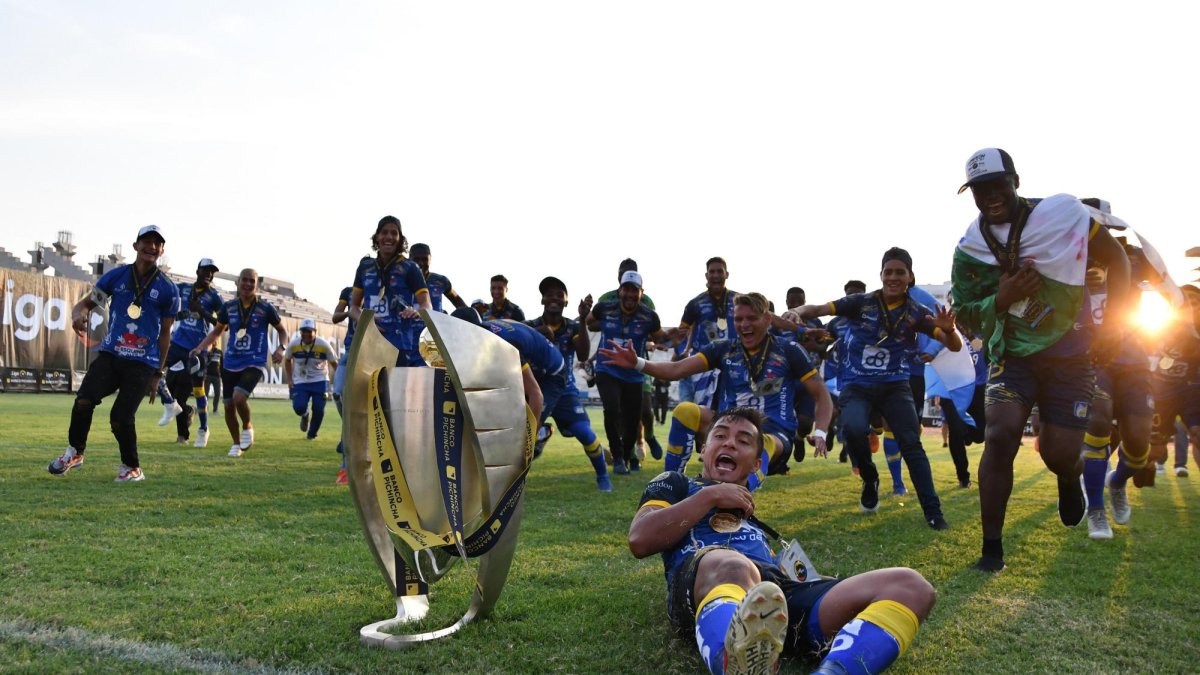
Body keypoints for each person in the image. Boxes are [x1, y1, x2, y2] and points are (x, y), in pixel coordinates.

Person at [628, 407, 936, 675]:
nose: (731, 443)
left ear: (755, 465)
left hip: (773, 598)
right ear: (703, 449)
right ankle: (732, 660)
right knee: (733, 564)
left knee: (910, 585)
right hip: (708, 581)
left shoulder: (749, 509)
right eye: (720, 436)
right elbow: (640, 539)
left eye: (744, 441)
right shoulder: (676, 483)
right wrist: (710, 495)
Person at [950, 148, 1130, 571]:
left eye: (996, 185)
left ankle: (1070, 478)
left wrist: (1116, 325)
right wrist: (1002, 297)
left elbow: (1117, 259)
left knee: (1058, 453)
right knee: (1000, 434)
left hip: (1070, 356)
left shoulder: (1061, 216)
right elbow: (964, 313)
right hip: (1012, 357)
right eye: (979, 190)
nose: (989, 196)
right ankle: (991, 550)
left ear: (1015, 180)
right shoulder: (971, 249)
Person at [794, 248, 961, 530]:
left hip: (895, 386)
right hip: (857, 385)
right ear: (881, 275)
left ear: (910, 277)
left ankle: (933, 512)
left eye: (900, 272)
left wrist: (949, 330)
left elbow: (954, 346)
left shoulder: (917, 312)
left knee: (911, 443)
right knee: (854, 429)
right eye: (888, 272)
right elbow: (819, 309)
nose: (893, 277)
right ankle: (870, 477)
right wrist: (795, 312)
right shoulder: (861, 303)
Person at [603, 292, 833, 483]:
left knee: (764, 442)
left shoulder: (788, 351)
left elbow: (821, 395)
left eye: (751, 318)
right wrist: (637, 362)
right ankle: (671, 483)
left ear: (768, 321)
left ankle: (737, 500)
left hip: (773, 432)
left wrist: (821, 432)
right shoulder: (724, 349)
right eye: (739, 319)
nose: (744, 325)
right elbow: (676, 370)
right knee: (685, 411)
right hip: (728, 423)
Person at [49, 225, 181, 482]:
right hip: (111, 354)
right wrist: (78, 314)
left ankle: (132, 467)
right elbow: (85, 304)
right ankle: (75, 452)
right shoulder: (116, 277)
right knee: (84, 399)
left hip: (143, 363)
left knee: (120, 417)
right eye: (146, 241)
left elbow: (165, 335)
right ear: (135, 246)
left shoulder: (168, 289)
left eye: (157, 243)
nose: (151, 247)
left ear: (162, 250)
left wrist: (158, 373)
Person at [190, 268, 288, 458]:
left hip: (254, 361)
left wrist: (281, 349)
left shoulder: (265, 308)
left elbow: (282, 332)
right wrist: (200, 347)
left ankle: (248, 427)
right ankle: (236, 444)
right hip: (231, 362)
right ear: (238, 282)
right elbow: (217, 331)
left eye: (252, 281)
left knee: (239, 398)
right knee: (228, 405)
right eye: (245, 280)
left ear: (256, 284)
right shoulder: (229, 307)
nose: (248, 284)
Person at [526, 276, 612, 491]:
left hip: (565, 391)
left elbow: (583, 354)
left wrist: (583, 320)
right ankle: (516, 478)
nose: (553, 297)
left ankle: (603, 476)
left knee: (585, 434)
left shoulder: (573, 327)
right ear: (542, 300)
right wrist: (537, 336)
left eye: (559, 294)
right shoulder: (530, 326)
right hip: (536, 391)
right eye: (549, 294)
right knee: (523, 437)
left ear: (566, 301)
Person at [587, 270, 669, 475]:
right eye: (626, 289)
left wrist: (669, 338)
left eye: (635, 290)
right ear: (619, 290)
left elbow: (661, 337)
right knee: (612, 409)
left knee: (633, 420)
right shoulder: (604, 307)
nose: (630, 294)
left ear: (642, 293)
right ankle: (617, 457)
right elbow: (590, 321)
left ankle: (625, 455)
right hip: (607, 367)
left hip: (634, 372)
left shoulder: (649, 316)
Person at [348, 215, 432, 367]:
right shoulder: (365, 268)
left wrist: (416, 311)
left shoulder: (410, 268)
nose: (389, 237)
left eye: (394, 233)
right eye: (384, 232)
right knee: (370, 391)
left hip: (399, 346)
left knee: (396, 390)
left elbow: (427, 305)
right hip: (370, 343)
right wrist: (364, 321)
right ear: (377, 237)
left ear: (400, 239)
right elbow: (353, 307)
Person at [156, 258, 223, 448]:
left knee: (190, 391)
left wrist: (201, 311)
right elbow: (166, 293)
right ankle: (171, 405)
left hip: (197, 349)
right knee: (154, 369)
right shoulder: (183, 288)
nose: (209, 275)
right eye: (206, 270)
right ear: (197, 271)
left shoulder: (214, 297)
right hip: (176, 343)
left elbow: (222, 325)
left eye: (212, 272)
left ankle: (199, 430)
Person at [674, 257, 738, 407]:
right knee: (699, 412)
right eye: (712, 272)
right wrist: (682, 352)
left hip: (732, 365)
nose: (715, 275)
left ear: (727, 274)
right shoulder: (695, 304)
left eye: (719, 271)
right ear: (706, 275)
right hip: (703, 365)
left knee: (729, 411)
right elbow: (681, 334)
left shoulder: (738, 300)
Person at [284, 318, 338, 441]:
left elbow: (334, 363)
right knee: (299, 408)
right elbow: (287, 360)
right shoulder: (294, 344)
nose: (306, 334)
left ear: (315, 331)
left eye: (309, 331)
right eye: (304, 331)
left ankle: (311, 434)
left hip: (320, 380)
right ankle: (305, 414)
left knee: (319, 409)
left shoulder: (324, 345)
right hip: (300, 381)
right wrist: (289, 379)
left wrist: (340, 381)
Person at [408, 242, 466, 348]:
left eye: (425, 259)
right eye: (416, 259)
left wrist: (469, 317)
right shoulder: (400, 281)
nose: (421, 263)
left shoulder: (441, 281)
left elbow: (458, 301)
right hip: (407, 339)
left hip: (433, 341)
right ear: (409, 259)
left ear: (430, 259)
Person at [331, 286, 355, 484]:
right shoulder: (349, 292)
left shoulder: (388, 288)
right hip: (351, 350)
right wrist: (350, 311)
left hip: (376, 349)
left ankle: (347, 468)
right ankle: (347, 424)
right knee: (338, 393)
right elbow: (335, 316)